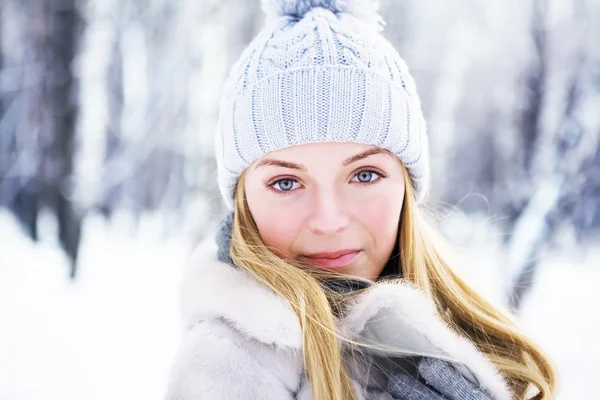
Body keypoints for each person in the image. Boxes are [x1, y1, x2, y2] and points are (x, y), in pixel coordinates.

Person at [166, 1, 557, 399]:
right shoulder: (226, 369)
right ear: (244, 200)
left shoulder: (474, 342)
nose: (329, 220)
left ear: (405, 186)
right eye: (286, 182)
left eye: (364, 175)